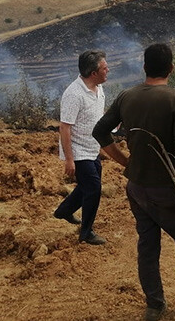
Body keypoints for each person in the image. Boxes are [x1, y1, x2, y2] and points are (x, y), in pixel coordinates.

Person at [93, 43, 175, 321]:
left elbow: (100, 131)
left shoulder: (127, 96)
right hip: (168, 190)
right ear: (172, 69)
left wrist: (126, 161)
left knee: (147, 244)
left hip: (137, 188)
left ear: (144, 68)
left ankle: (155, 305)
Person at [53, 50, 110, 245]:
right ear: (94, 73)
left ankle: (64, 211)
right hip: (78, 150)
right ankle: (86, 232)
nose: (108, 70)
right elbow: (65, 127)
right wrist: (69, 159)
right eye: (104, 68)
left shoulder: (99, 88)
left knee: (87, 186)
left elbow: (98, 114)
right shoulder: (74, 94)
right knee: (93, 188)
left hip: (92, 147)